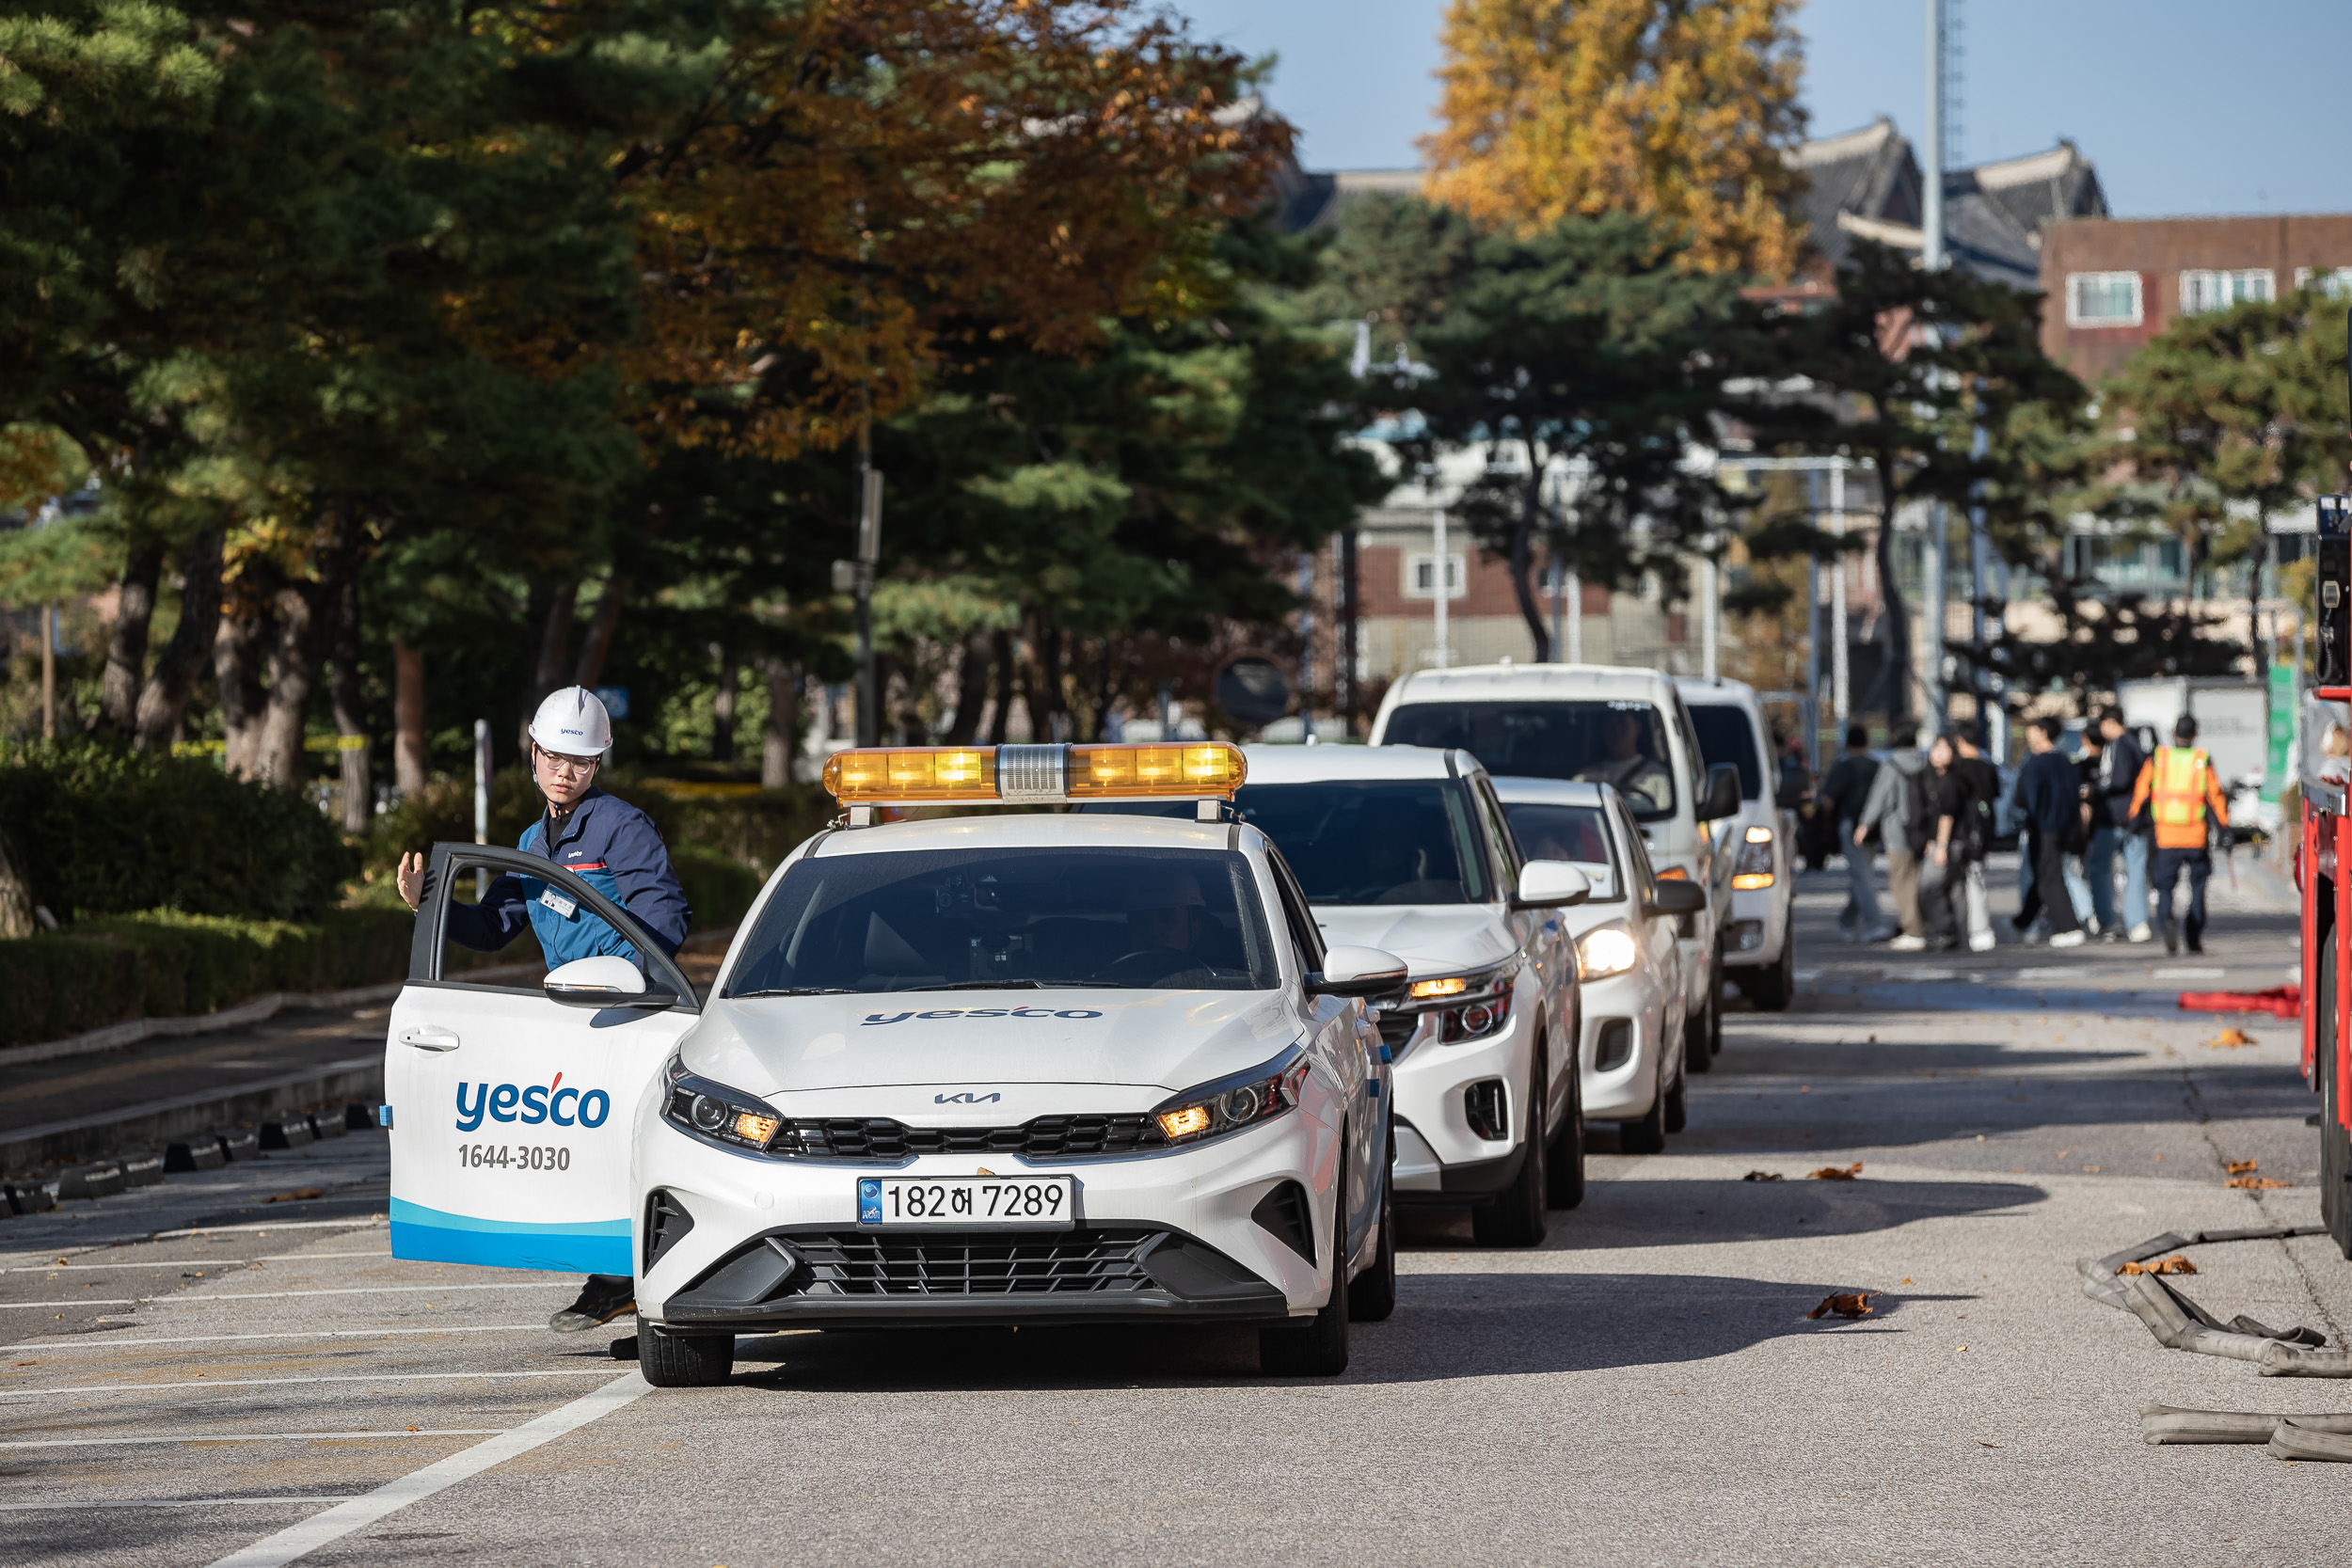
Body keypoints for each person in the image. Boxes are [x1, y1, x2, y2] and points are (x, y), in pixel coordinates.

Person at [395, 686, 692, 1335]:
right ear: (532, 754)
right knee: (580, 1150)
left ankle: (631, 1285)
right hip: (572, 1021)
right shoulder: (533, 841)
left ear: (598, 765)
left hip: (631, 1015)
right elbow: (495, 924)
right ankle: (614, 1279)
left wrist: (626, 978)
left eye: (580, 761)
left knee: (626, 1148)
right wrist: (428, 904)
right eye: (555, 756)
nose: (566, 771)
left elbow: (665, 916)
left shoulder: (620, 826)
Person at [2129, 712, 2231, 955]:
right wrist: (2225, 829)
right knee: (2197, 887)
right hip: (2196, 835)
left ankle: (2166, 920)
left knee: (2164, 887)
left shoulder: (2158, 758)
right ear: (2195, 735)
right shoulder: (2201, 759)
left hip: (2166, 835)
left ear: (2174, 733)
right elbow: (2215, 797)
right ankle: (2193, 937)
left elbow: (2141, 792)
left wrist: (2132, 819)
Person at [1854, 723, 1932, 950]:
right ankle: (1921, 925)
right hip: (1922, 830)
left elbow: (1880, 798)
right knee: (1917, 881)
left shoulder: (1892, 765)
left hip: (1898, 832)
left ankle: (1913, 931)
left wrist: (1865, 824)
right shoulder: (1924, 763)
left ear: (1895, 737)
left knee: (1900, 882)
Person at [2011, 717, 2087, 948]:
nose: (2028, 734)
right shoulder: (2065, 761)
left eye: (2031, 729)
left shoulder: (2035, 763)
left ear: (2043, 733)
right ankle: (2024, 920)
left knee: (2049, 876)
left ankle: (2069, 927)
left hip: (2043, 827)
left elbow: (2024, 799)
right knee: (2043, 873)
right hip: (2066, 826)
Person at [1820, 725, 1890, 942]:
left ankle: (1868, 925)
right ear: (1867, 743)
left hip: (1850, 825)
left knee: (1862, 877)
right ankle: (1851, 922)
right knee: (1863, 875)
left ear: (1847, 744)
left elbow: (1828, 801)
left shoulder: (1843, 767)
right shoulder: (1877, 766)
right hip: (1873, 827)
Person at [2090, 707, 2151, 942]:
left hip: (2116, 817)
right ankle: (2138, 922)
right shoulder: (2135, 743)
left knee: (2099, 868)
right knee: (2135, 872)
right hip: (2137, 818)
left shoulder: (2119, 745)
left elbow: (2118, 779)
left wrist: (2096, 790)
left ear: (2111, 722)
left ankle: (2108, 919)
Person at [1949, 731, 2001, 952]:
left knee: (1963, 882)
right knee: (1976, 878)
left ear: (1960, 740)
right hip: (1983, 830)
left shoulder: (1958, 769)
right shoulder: (1988, 767)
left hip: (1962, 831)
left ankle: (1975, 930)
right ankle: (1978, 929)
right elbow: (1996, 796)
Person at [1919, 736, 1968, 951]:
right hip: (1949, 842)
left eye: (1943, 748)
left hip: (1950, 842)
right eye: (1934, 748)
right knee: (1954, 889)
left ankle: (1944, 930)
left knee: (1929, 886)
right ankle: (1958, 934)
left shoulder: (1951, 780)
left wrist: (1941, 845)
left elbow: (1947, 816)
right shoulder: (1941, 777)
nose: (1936, 753)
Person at [1576, 708, 1674, 815]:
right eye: (1611, 724)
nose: (1617, 731)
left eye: (1622, 724)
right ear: (1602, 729)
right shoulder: (1584, 778)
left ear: (1637, 728)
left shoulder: (1659, 776)